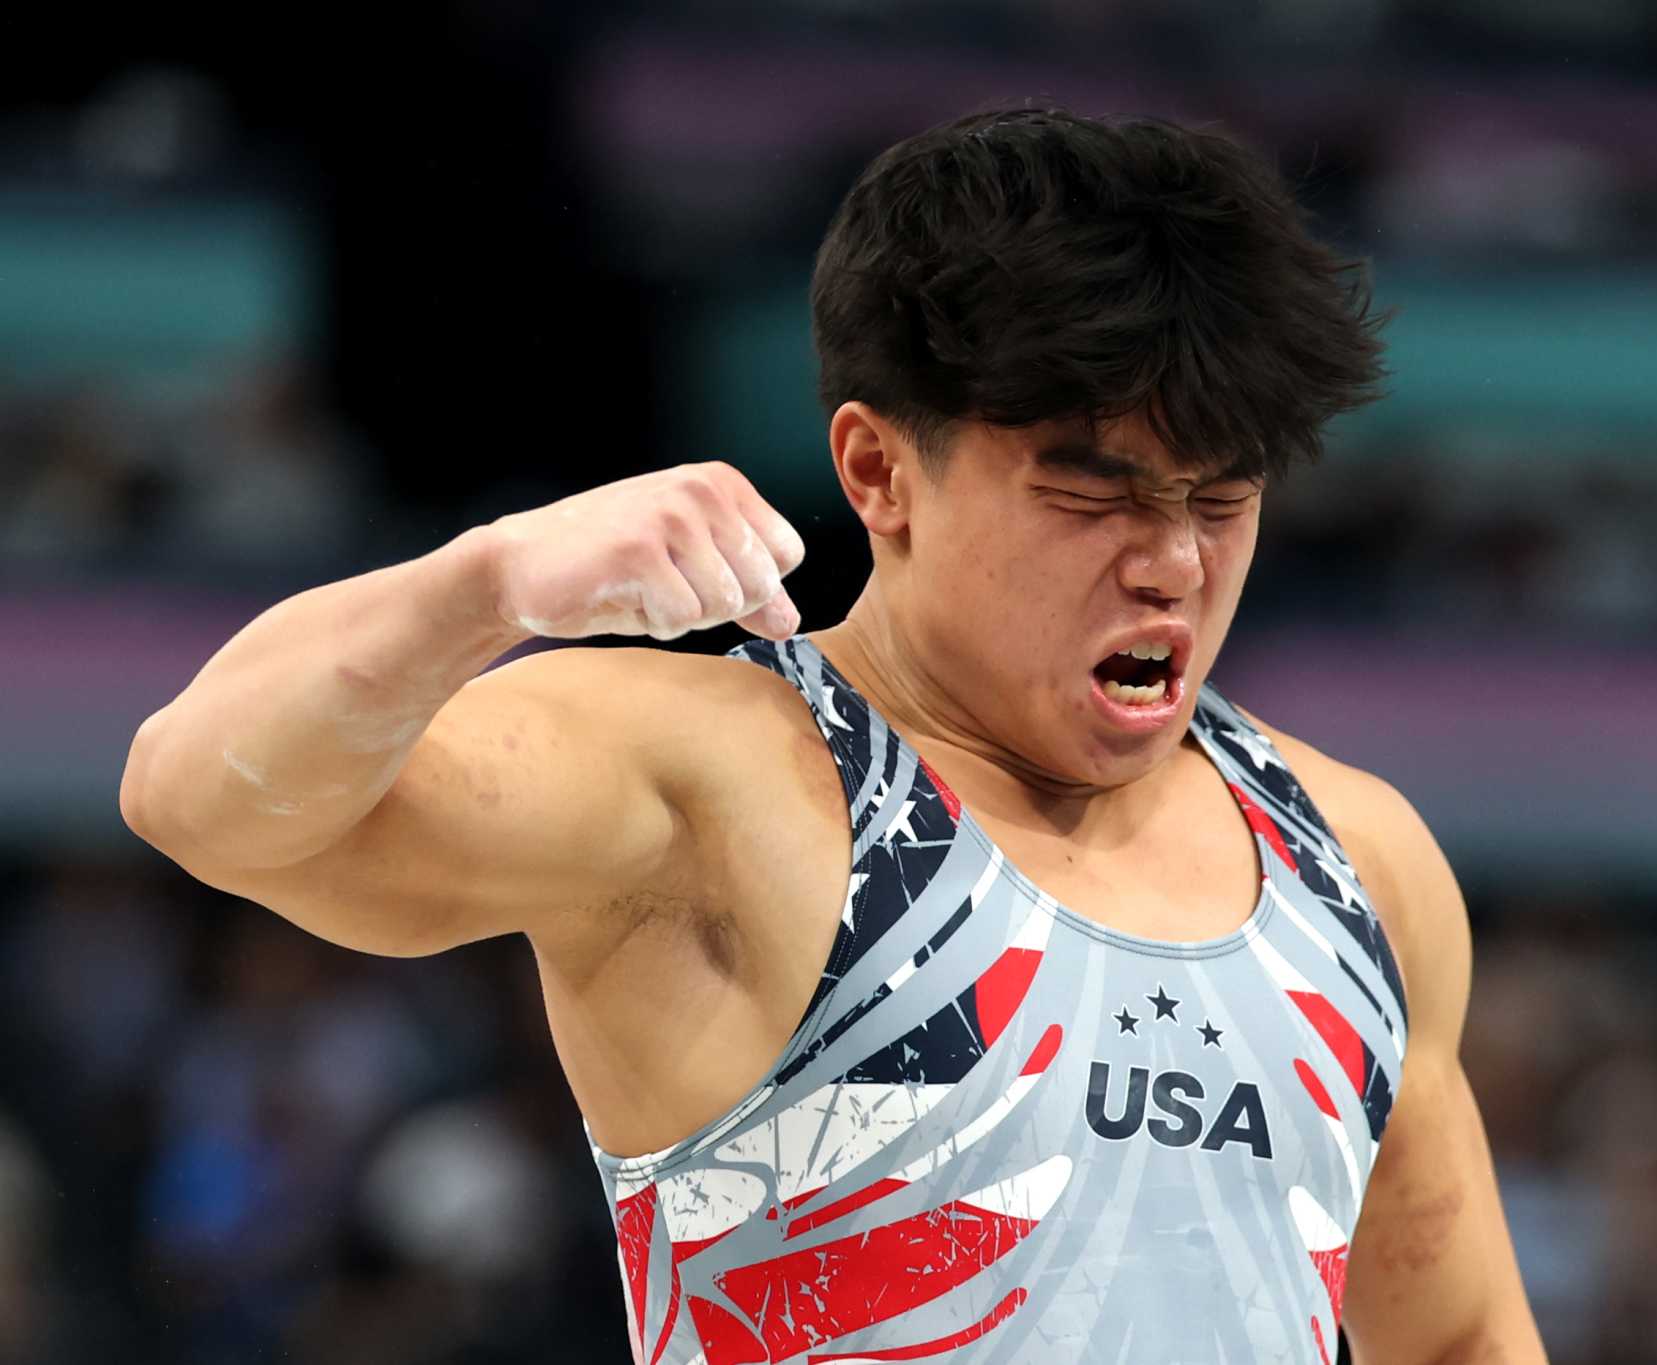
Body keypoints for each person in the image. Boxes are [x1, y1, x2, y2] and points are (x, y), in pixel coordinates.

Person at [121, 107, 1547, 1364]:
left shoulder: (1357, 860)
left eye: (1217, 498)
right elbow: (200, 796)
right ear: (878, 469)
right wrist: (483, 583)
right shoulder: (721, 785)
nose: (1171, 562)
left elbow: (1463, 1336)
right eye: (1094, 493)